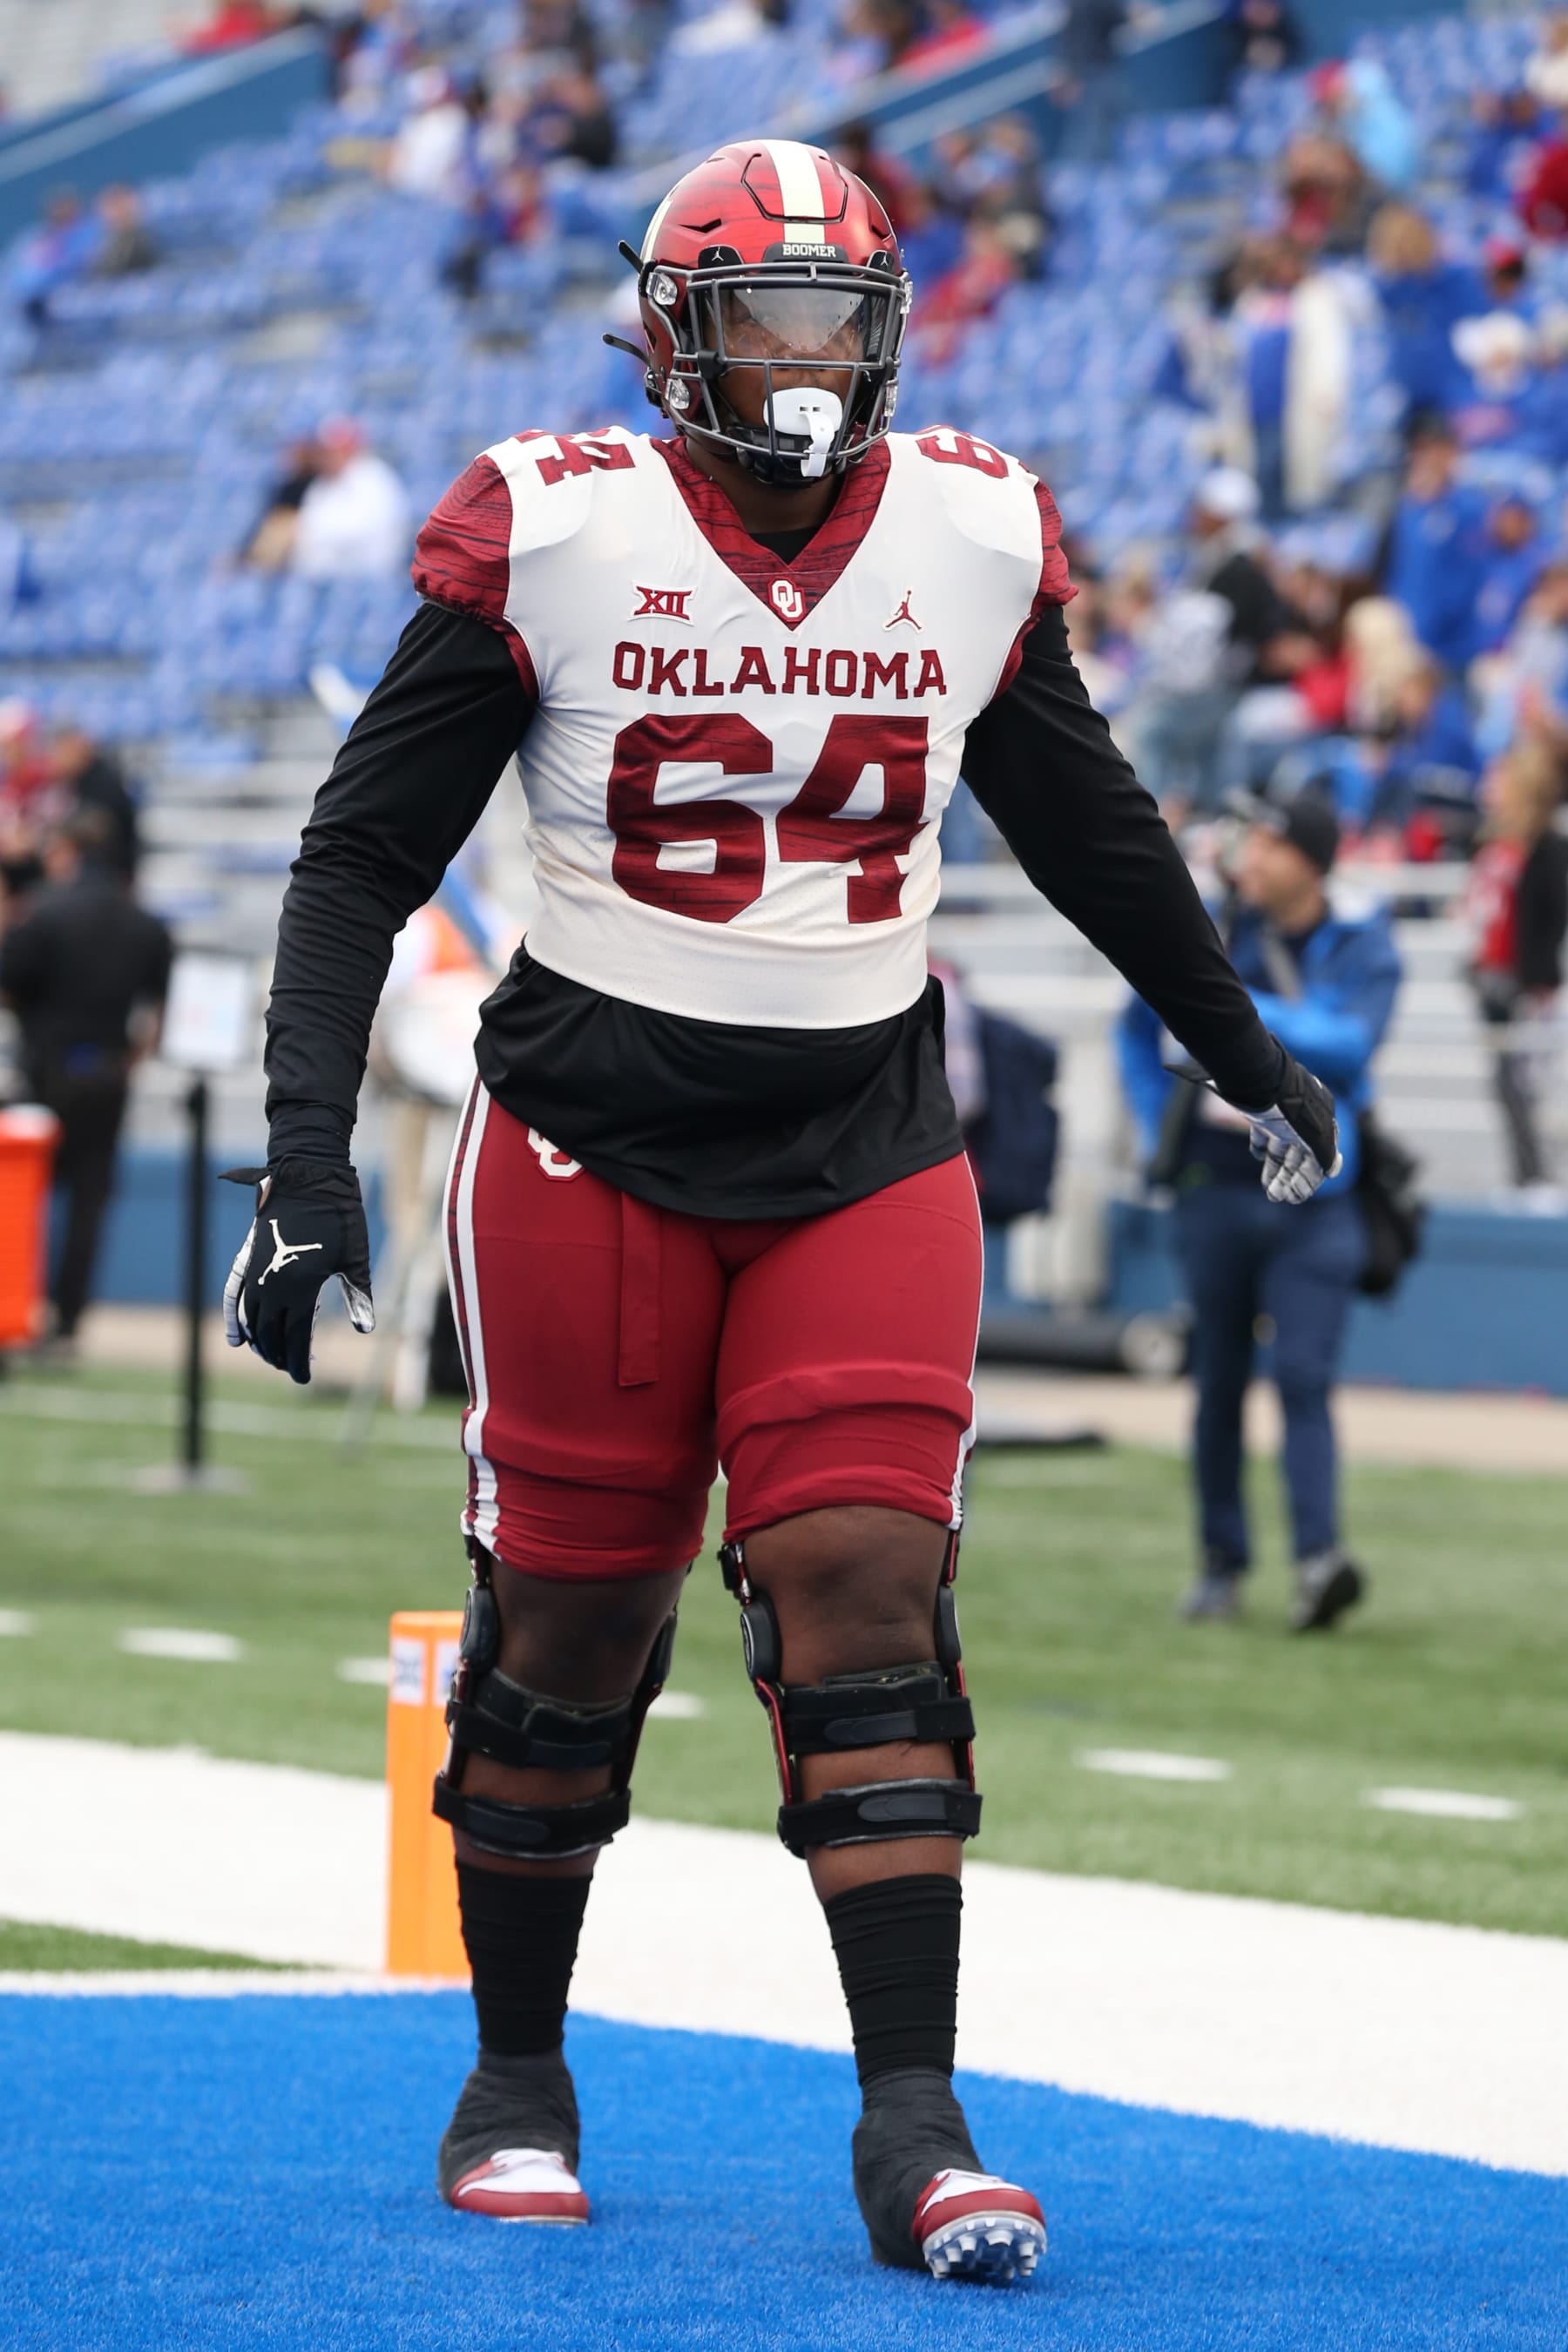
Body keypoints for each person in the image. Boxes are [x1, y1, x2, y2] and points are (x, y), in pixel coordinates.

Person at [223, 138, 1340, 2286]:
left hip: (864, 1133)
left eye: (843, 315)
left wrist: (1239, 1040)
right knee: (570, 1625)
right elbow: (358, 858)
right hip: (588, 1137)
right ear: (674, 331)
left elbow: (1088, 816)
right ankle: (518, 2071)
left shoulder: (975, 522)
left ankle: (913, 2114)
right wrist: (298, 1161)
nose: (812, 357)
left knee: (867, 1589)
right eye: (769, 315)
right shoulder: (548, 517)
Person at [1119, 792, 1400, 1631]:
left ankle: (1318, 1560)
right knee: (1218, 1384)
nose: (1255, 855)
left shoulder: (1362, 942)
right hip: (1215, 1183)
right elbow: (1139, 1031)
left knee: (1306, 1377)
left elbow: (1351, 1042)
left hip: (1320, 1191)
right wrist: (1149, 1123)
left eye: (1274, 842)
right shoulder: (1211, 924)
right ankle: (1219, 1563)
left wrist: (1229, 1010)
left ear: (1311, 861)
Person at [0, 810, 172, 1354]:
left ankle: (14, 1312)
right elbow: (162, 1008)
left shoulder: (44, 914)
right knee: (89, 1204)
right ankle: (67, 1323)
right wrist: (132, 1058)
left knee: (22, 1197)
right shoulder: (144, 921)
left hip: (44, 1074)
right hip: (107, 1074)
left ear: (68, 852)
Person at [1465, 740, 1568, 1191]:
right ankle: (1529, 1179)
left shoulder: (1552, 849)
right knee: (1510, 1089)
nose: (1490, 788)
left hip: (1543, 996)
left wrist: (1535, 982)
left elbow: (1548, 926)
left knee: (1541, 1095)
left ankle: (1545, 1181)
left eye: (1500, 779)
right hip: (1505, 990)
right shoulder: (1500, 845)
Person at [289, 419, 410, 581]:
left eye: (334, 451)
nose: (328, 458)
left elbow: (361, 528)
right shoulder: (321, 485)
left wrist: (315, 534)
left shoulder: (374, 477)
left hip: (372, 576)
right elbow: (305, 529)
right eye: (325, 452)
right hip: (325, 578)